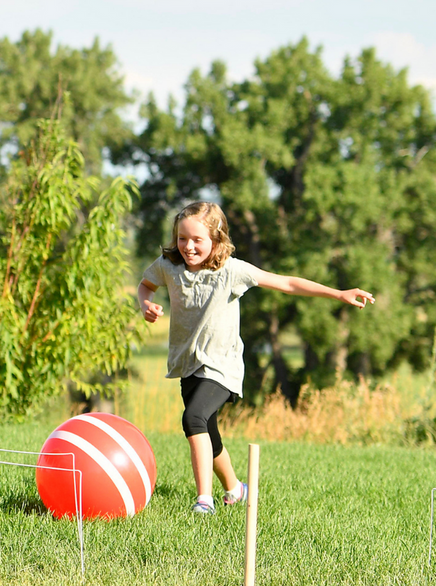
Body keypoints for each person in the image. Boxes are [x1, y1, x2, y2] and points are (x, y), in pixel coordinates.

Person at [138, 201, 373, 515]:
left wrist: (339, 293)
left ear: (217, 240)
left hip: (223, 366)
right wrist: (146, 304)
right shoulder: (168, 266)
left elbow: (287, 283)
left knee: (192, 419)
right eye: (183, 238)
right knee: (208, 429)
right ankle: (236, 489)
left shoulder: (232, 270)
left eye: (197, 240)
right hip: (187, 364)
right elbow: (146, 285)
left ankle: (203, 501)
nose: (188, 246)